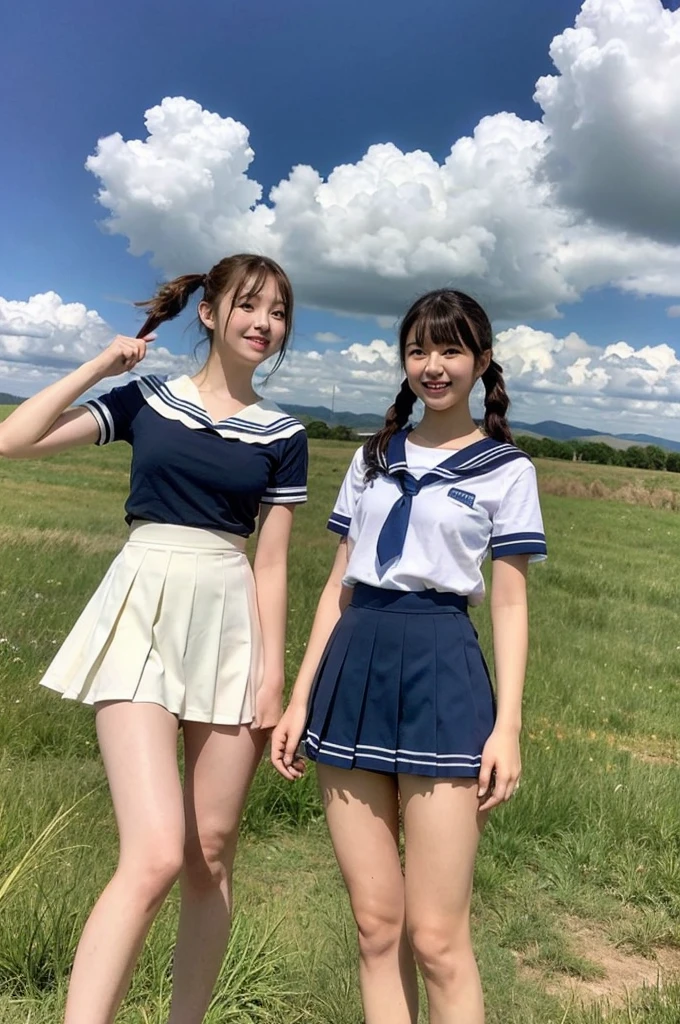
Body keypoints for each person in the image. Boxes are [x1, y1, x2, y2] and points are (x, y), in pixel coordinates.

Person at [0, 254, 308, 1024]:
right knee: (156, 852)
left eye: (277, 312)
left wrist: (272, 673)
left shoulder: (285, 433)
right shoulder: (147, 400)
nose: (263, 323)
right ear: (209, 313)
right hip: (141, 605)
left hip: (230, 616)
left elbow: (270, 563)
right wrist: (103, 361)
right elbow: (15, 439)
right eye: (248, 305)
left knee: (210, 849)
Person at [272, 289, 546, 1024]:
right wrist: (300, 699)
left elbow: (512, 603)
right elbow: (337, 586)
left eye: (451, 350)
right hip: (353, 670)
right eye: (419, 349)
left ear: (481, 362)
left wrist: (508, 726)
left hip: (445, 675)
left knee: (436, 937)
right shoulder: (372, 456)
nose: (433, 365)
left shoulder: (507, 469)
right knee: (375, 925)